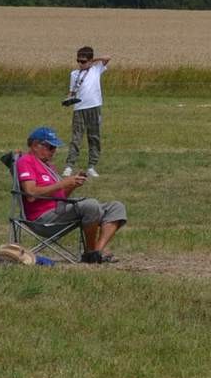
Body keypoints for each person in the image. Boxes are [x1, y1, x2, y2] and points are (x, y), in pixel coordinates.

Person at [15, 125, 128, 264]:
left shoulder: (48, 166)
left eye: (55, 148)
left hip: (59, 210)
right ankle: (91, 252)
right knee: (90, 205)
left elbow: (60, 196)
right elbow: (31, 193)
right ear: (35, 145)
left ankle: (96, 253)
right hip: (43, 219)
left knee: (116, 207)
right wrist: (63, 183)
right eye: (50, 147)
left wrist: (72, 185)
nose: (54, 151)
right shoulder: (26, 161)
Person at [62, 46, 111, 178]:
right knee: (76, 138)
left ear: (90, 61)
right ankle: (69, 166)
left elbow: (107, 58)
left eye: (83, 61)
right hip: (79, 108)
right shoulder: (74, 74)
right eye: (78, 61)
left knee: (94, 137)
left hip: (94, 107)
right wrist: (68, 99)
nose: (80, 64)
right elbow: (71, 91)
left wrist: (93, 61)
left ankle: (91, 166)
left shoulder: (96, 69)